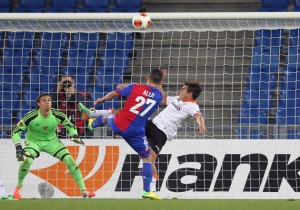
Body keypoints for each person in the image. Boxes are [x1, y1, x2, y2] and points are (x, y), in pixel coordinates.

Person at [80, 80, 207, 193]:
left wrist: (201, 124)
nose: (180, 89)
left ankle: (152, 189)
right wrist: (160, 88)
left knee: (150, 158)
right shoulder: (176, 99)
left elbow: (198, 116)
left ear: (190, 94)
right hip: (152, 124)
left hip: (161, 133)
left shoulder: (192, 106)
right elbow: (162, 100)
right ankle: (93, 114)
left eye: (183, 89)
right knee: (127, 114)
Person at [78, 69, 164, 200]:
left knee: (109, 115)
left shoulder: (135, 87)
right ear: (160, 82)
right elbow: (159, 94)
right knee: (147, 158)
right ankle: (146, 191)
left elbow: (114, 94)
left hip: (119, 124)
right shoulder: (158, 96)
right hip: (136, 132)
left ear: (147, 77)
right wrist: (160, 84)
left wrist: (102, 99)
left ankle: (91, 122)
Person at [11, 93, 95, 200]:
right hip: (33, 142)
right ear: (38, 104)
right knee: (26, 161)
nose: (47, 102)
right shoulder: (30, 116)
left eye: (49, 100)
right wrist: (18, 147)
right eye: (44, 100)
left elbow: (70, 126)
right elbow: (16, 132)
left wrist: (74, 134)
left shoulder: (58, 114)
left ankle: (84, 190)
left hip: (52, 141)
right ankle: (18, 189)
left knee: (70, 160)